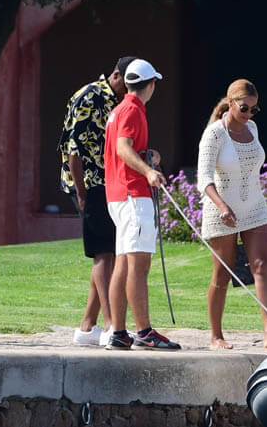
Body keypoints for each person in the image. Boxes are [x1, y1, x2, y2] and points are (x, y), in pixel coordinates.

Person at [196, 79, 267, 350]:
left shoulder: (253, 128)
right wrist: (222, 206)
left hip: (255, 207)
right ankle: (216, 336)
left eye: (254, 109)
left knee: (262, 265)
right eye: (244, 108)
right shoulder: (215, 134)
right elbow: (204, 179)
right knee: (222, 274)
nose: (249, 114)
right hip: (221, 210)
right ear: (231, 103)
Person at [103, 58, 180, 351]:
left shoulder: (118, 109)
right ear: (151, 85)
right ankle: (144, 332)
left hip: (118, 195)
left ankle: (119, 333)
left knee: (123, 264)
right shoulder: (134, 110)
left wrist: (147, 156)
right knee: (138, 265)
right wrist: (148, 171)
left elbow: (124, 148)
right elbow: (123, 148)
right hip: (133, 195)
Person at [59, 56, 135, 346]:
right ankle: (111, 323)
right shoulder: (90, 96)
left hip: (107, 183)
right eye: (129, 84)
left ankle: (87, 326)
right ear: (117, 76)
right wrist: (81, 193)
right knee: (104, 253)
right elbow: (74, 150)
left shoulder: (117, 100)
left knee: (109, 252)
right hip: (90, 185)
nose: (131, 91)